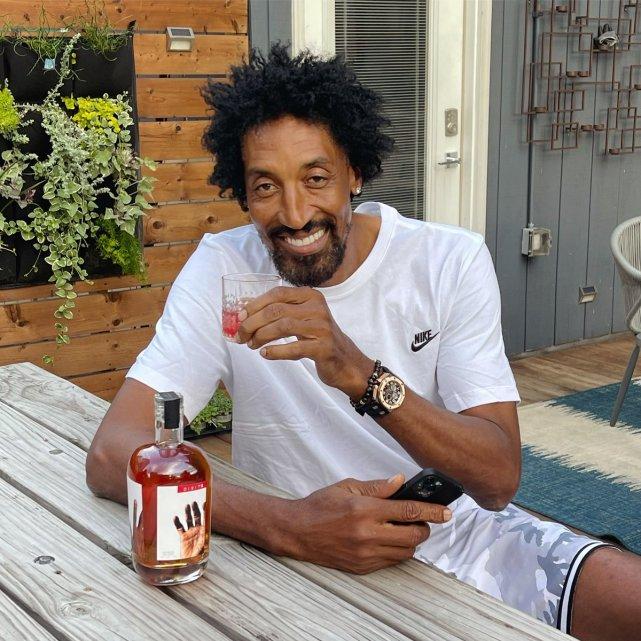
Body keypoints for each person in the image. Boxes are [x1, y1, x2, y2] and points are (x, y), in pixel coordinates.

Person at [86, 45, 641, 640]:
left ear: (354, 173)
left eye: (316, 178)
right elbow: (111, 455)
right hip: (296, 558)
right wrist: (287, 525)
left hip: (452, 528)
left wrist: (358, 372)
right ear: (243, 196)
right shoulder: (225, 271)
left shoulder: (447, 261)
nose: (295, 213)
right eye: (266, 186)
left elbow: (498, 477)